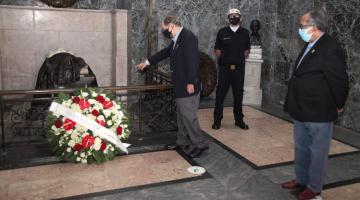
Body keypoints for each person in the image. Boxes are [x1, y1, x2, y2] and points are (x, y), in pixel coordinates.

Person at [282, 10, 349, 200]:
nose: (300, 29)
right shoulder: (310, 43)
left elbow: (340, 81)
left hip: (319, 110)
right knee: (301, 147)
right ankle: (301, 179)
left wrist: (339, 104)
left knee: (317, 151)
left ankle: (313, 187)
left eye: (302, 25)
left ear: (315, 26)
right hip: (301, 107)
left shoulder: (330, 48)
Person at [136, 14, 209, 158]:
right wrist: (147, 62)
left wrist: (190, 82)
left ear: (171, 26)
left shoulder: (188, 37)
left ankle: (200, 144)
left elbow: (193, 62)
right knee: (181, 116)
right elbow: (164, 53)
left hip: (189, 86)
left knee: (189, 117)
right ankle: (182, 141)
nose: (164, 32)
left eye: (164, 29)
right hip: (180, 85)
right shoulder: (176, 39)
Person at [212, 8, 250, 130]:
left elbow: (246, 51)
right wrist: (226, 59)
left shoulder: (245, 32)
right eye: (231, 16)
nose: (234, 18)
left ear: (241, 18)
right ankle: (217, 121)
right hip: (224, 69)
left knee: (238, 95)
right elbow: (217, 50)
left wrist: (236, 59)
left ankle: (239, 120)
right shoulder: (222, 32)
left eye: (236, 15)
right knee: (220, 95)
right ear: (227, 19)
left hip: (239, 69)